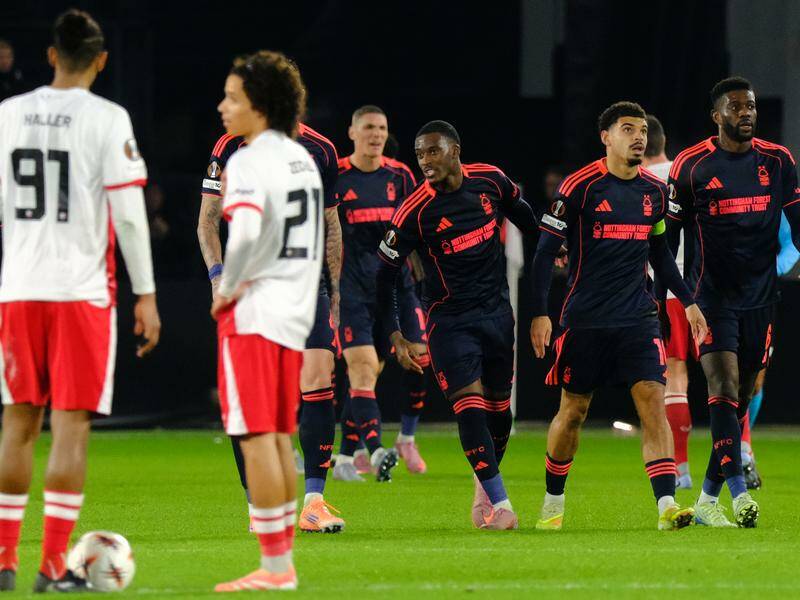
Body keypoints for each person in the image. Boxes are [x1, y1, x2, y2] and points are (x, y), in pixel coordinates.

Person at [0, 9, 160, 592]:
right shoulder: (108, 118)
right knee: (70, 428)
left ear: (50, 55)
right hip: (81, 294)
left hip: (19, 290)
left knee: (17, 422)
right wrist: (146, 293)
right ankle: (50, 561)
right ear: (101, 60)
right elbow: (130, 217)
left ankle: (4, 557)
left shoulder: (7, 114)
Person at [530, 101, 706, 532]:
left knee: (653, 404)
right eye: (628, 129)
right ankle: (553, 502)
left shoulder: (654, 192)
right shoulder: (580, 187)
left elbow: (660, 255)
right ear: (606, 137)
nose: (638, 137)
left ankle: (667, 505)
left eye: (642, 130)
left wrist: (688, 301)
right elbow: (544, 253)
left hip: (637, 319)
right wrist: (539, 313)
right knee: (573, 412)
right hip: (586, 320)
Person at [376, 120, 538, 530]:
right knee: (470, 409)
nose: (425, 161)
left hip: (498, 315)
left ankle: (484, 488)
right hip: (449, 322)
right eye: (419, 154)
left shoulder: (491, 181)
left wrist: (551, 264)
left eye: (433, 151)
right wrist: (395, 333)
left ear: (455, 151)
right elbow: (384, 276)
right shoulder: (414, 210)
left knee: (501, 415)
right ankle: (501, 503)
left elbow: (529, 223)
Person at [198, 87, 344, 533]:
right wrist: (218, 277)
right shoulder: (239, 151)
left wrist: (334, 292)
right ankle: (260, 511)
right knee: (262, 406)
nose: (225, 108)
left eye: (235, 98)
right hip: (262, 290)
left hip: (292, 287)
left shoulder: (310, 152)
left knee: (315, 382)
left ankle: (312, 502)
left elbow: (329, 224)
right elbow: (208, 221)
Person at [211, 50, 322, 591]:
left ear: (258, 103)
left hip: (255, 314)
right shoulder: (302, 159)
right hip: (293, 313)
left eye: (232, 97)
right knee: (277, 437)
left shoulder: (248, 161)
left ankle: (275, 568)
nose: (223, 106)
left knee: (256, 437)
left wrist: (226, 288)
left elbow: (247, 235)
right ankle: (281, 565)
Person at [667, 76, 800, 527]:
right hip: (710, 298)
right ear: (716, 115)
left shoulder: (778, 161)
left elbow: (798, 225)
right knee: (722, 386)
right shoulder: (691, 165)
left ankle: (707, 498)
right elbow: (667, 240)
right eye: (736, 106)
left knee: (741, 398)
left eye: (751, 106)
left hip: (760, 298)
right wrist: (683, 297)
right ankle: (740, 496)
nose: (746, 113)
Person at [332, 105, 428, 482]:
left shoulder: (401, 176)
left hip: (397, 288)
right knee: (363, 369)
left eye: (382, 128)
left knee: (418, 358)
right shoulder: (335, 176)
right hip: (353, 291)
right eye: (369, 127)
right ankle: (370, 452)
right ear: (352, 132)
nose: (376, 134)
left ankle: (388, 443)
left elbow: (419, 227)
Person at [642, 114, 694, 489]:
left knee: (672, 376)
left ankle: (680, 467)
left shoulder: (641, 182)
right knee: (725, 377)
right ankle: (740, 455)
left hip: (665, 291)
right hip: (702, 289)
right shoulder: (687, 171)